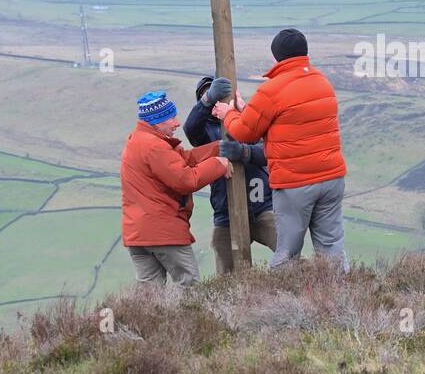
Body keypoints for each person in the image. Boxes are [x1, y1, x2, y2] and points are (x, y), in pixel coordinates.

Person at [212, 29, 347, 267]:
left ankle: (281, 301)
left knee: (287, 254)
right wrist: (247, 111)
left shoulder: (272, 89)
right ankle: (338, 296)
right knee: (331, 248)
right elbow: (291, 122)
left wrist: (228, 113)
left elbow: (244, 132)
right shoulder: (322, 82)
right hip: (332, 178)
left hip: (295, 183)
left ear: (277, 57)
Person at [120, 89, 238, 285]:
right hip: (163, 232)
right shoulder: (154, 146)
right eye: (171, 117)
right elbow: (185, 180)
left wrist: (218, 146)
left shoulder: (138, 141)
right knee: (189, 286)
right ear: (157, 121)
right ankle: (194, 317)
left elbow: (182, 160)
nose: (176, 123)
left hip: (138, 234)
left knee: (149, 296)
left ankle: (148, 318)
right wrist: (219, 164)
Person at [184, 73, 276, 273]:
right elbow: (190, 127)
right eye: (209, 96)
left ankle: (311, 289)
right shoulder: (203, 131)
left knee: (289, 252)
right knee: (226, 274)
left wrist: (244, 152)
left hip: (262, 206)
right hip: (226, 212)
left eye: (220, 95)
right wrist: (206, 101)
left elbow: (267, 152)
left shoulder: (247, 120)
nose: (215, 100)